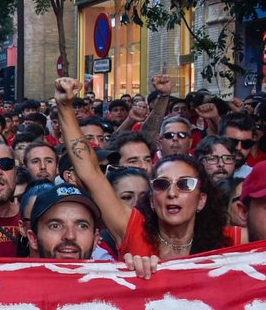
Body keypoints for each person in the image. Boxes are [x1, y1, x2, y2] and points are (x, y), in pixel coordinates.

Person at [55, 78, 233, 261]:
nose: (172, 193)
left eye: (185, 184)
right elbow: (90, 171)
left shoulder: (229, 240)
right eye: (162, 184)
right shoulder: (133, 231)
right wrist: (65, 107)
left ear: (202, 199)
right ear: (151, 199)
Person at [26, 185, 102, 261]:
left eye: (82, 226)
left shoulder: (112, 272)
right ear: (33, 239)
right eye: (55, 226)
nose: (70, 236)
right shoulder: (15, 272)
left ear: (95, 239)